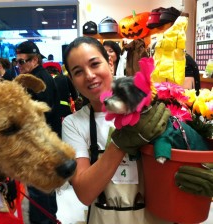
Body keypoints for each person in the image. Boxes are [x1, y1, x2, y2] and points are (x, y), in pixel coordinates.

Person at [62, 36, 171, 224]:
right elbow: (85, 193)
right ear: (72, 80)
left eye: (95, 64)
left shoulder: (148, 103)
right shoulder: (73, 124)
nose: (89, 75)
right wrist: (120, 143)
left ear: (110, 64)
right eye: (78, 72)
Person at [16, 41, 61, 224]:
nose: (18, 66)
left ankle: (46, 220)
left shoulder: (37, 81)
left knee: (39, 187)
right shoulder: (37, 76)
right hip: (44, 141)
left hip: (40, 143)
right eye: (16, 61)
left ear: (34, 60)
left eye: (21, 61)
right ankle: (50, 217)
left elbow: (40, 115)